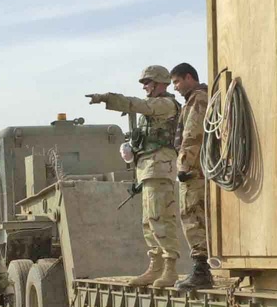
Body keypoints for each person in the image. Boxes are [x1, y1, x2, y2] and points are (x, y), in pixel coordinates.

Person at [86, 65, 182, 287]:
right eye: (144, 83)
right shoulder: (152, 108)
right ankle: (155, 267)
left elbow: (136, 105)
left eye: (148, 83)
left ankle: (170, 269)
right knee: (149, 221)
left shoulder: (164, 104)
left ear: (160, 84)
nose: (145, 87)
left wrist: (106, 98)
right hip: (147, 168)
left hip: (159, 167)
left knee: (161, 218)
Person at [170, 63, 212, 290]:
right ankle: (201, 269)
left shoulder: (198, 99)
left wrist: (183, 167)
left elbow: (192, 134)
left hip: (194, 171)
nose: (175, 87)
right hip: (198, 168)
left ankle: (202, 271)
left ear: (189, 77)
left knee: (192, 216)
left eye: (177, 81)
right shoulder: (196, 99)